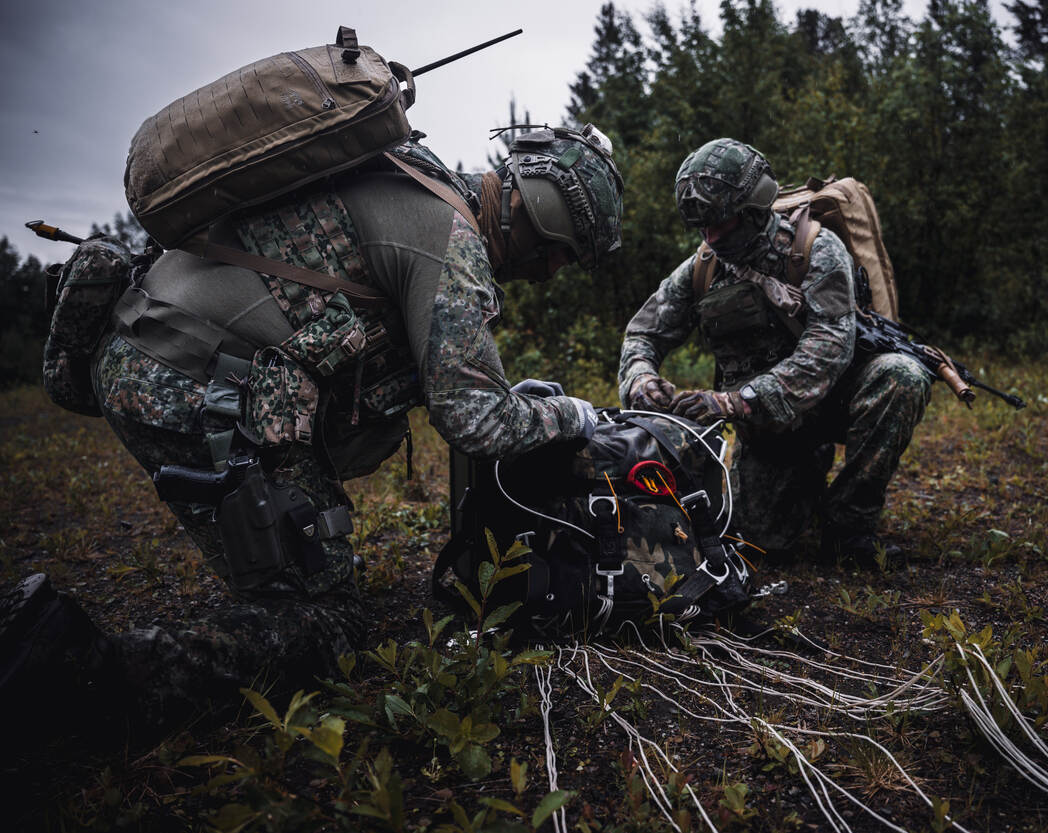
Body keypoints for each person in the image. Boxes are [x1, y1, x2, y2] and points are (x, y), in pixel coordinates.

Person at [0, 125, 624, 737]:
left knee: (323, 567)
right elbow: (476, 422)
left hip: (158, 345)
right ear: (543, 212)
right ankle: (81, 673)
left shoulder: (413, 180)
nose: (555, 271)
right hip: (189, 384)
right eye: (567, 252)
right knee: (327, 623)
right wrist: (577, 414)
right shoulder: (451, 241)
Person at [618, 138, 929, 566]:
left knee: (900, 376)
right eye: (701, 227)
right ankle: (805, 482)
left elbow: (828, 347)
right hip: (769, 431)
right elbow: (644, 332)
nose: (709, 237)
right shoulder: (704, 266)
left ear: (751, 210)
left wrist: (735, 400)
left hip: (828, 402)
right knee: (767, 543)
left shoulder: (816, 251)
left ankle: (850, 525)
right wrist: (640, 378)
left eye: (720, 223)